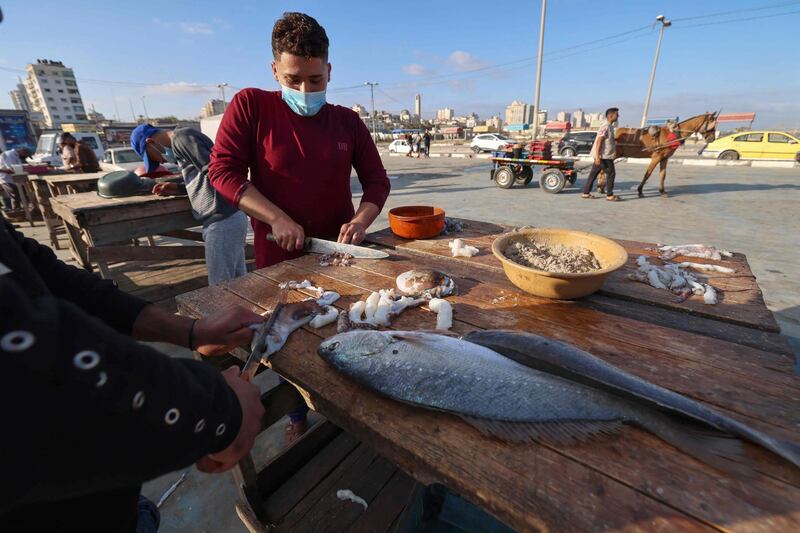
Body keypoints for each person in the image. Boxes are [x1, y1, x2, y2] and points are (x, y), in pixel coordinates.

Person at [0, 218, 266, 531]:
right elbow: (21, 355)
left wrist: (188, 329)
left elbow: (37, 269)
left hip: (109, 503)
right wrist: (216, 413)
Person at [208, 12, 390, 441]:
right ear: (275, 71)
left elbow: (377, 181)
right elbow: (223, 171)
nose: (305, 90)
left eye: (315, 79)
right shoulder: (251, 105)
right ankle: (296, 414)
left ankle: (349, 413)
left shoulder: (347, 121)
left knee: (345, 330)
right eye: (293, 80)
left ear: (329, 70)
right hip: (279, 259)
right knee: (288, 346)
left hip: (342, 256)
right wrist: (275, 217)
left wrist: (362, 219)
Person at [130, 124, 249, 285]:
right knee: (238, 282)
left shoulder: (182, 139)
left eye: (152, 157)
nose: (160, 160)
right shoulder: (182, 143)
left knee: (220, 286)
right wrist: (178, 188)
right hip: (227, 218)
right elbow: (205, 179)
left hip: (222, 219)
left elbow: (218, 175)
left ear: (150, 142)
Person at [582, 107, 621, 201]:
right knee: (611, 174)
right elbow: (599, 141)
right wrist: (597, 156)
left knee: (593, 174)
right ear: (611, 115)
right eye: (617, 114)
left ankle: (586, 193)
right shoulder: (606, 126)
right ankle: (610, 195)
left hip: (603, 156)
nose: (618, 116)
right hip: (604, 156)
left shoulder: (610, 126)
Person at [0, 146, 31, 211]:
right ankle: (18, 212)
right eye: (25, 154)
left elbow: (16, 168)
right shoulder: (9, 154)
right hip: (6, 179)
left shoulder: (16, 156)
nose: (25, 156)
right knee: (16, 195)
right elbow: (11, 169)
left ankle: (22, 211)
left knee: (21, 194)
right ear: (23, 151)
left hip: (14, 179)